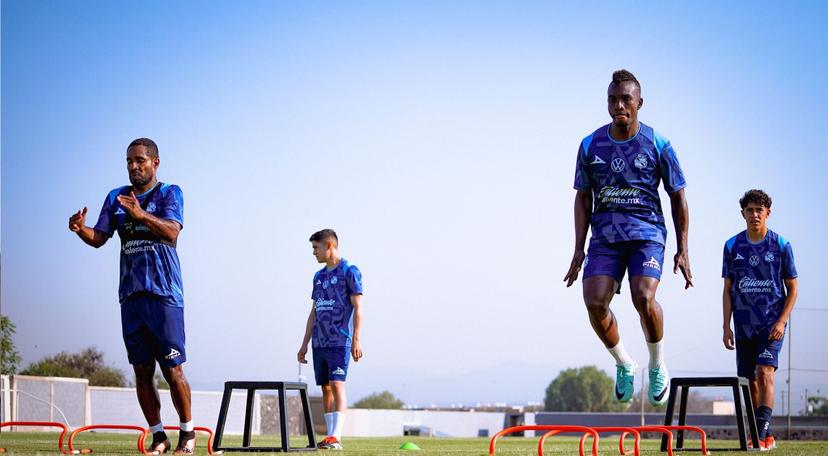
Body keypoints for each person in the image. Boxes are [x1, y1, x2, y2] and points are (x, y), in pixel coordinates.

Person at [563, 69, 692, 406]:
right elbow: (582, 196)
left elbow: (678, 196)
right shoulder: (590, 144)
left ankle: (657, 364)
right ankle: (624, 363)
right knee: (594, 302)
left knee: (643, 297)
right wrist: (578, 248)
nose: (618, 105)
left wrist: (683, 248)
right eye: (612, 99)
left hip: (646, 233)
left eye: (625, 99)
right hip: (605, 236)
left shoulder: (658, 144)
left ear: (639, 103)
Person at [68, 138, 195, 454]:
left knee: (172, 369)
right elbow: (100, 238)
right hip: (130, 295)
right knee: (141, 370)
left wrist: (141, 216)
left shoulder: (169, 193)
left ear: (155, 162)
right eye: (129, 161)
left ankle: (188, 436)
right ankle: (158, 437)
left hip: (164, 294)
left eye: (140, 160)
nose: (134, 166)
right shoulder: (116, 197)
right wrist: (80, 230)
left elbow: (172, 231)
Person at [722, 189, 797, 450]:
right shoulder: (732, 246)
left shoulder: (781, 245)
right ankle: (762, 431)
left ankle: (761, 435)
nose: (754, 214)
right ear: (742, 213)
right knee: (750, 380)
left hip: (771, 325)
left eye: (759, 210)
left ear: (768, 213)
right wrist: (726, 326)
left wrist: (782, 321)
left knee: (765, 372)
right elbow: (727, 289)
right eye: (750, 210)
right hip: (743, 326)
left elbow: (793, 288)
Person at [297, 229, 363, 450]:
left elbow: (359, 308)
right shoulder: (318, 276)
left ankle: (336, 437)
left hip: (340, 340)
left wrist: (356, 339)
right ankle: (329, 437)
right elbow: (313, 312)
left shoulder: (349, 271)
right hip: (319, 342)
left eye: (316, 248)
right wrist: (304, 343)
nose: (313, 253)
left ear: (329, 246)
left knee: (337, 385)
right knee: (325, 388)